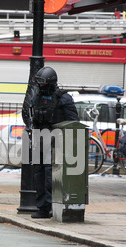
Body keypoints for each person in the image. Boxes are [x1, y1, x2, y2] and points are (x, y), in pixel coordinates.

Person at [30, 66, 79, 219]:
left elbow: (73, 122)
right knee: (39, 174)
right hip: (40, 139)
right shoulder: (36, 96)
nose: (40, 86)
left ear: (50, 82)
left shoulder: (63, 98)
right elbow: (30, 115)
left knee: (50, 174)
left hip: (56, 141)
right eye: (39, 83)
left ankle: (53, 206)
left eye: (43, 83)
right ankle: (42, 208)